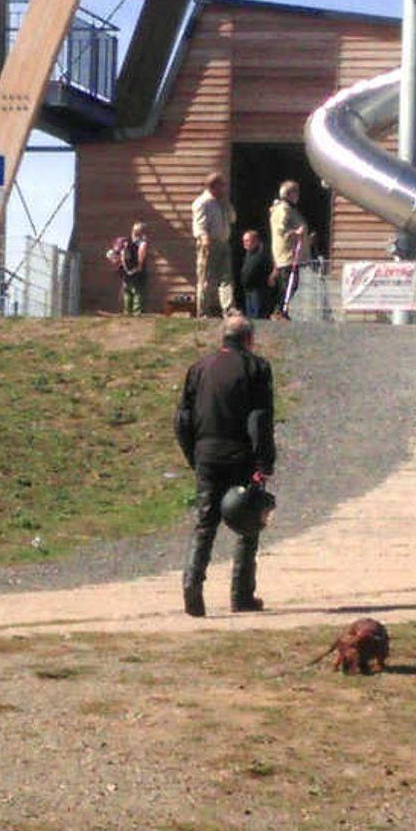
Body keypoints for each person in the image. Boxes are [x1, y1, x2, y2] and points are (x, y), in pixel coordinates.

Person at [174, 312, 275, 617]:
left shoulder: (199, 368)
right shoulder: (257, 368)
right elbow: (259, 419)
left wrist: (192, 454)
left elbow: (182, 419)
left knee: (205, 523)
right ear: (249, 339)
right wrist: (264, 461)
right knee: (248, 522)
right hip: (241, 454)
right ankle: (241, 595)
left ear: (223, 338)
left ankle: (192, 589)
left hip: (206, 453)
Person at [189, 175, 233, 318]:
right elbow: (199, 225)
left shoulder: (221, 202)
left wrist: (226, 205)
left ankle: (228, 309)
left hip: (223, 242)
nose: (224, 189)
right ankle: (203, 311)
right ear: (213, 186)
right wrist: (204, 239)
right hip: (209, 242)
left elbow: (232, 218)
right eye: (222, 186)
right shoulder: (202, 203)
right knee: (206, 279)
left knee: (226, 277)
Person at [267, 181, 309, 322]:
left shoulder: (291, 209)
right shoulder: (283, 209)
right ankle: (279, 310)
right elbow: (281, 229)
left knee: (292, 283)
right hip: (287, 253)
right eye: (295, 192)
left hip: (293, 253)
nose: (298, 195)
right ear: (288, 194)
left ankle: (282, 310)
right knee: (288, 283)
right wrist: (296, 233)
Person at [237, 228, 272, 322]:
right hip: (248, 289)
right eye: (244, 241)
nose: (245, 243)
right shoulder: (248, 253)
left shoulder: (262, 253)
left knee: (258, 317)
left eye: (247, 241)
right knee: (250, 317)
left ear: (256, 241)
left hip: (258, 290)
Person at [115, 222, 150, 315]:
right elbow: (141, 254)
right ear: (142, 232)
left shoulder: (125, 242)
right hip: (137, 269)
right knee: (138, 291)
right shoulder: (142, 243)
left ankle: (127, 311)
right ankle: (137, 312)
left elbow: (121, 255)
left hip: (126, 270)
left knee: (127, 291)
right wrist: (139, 266)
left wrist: (124, 268)